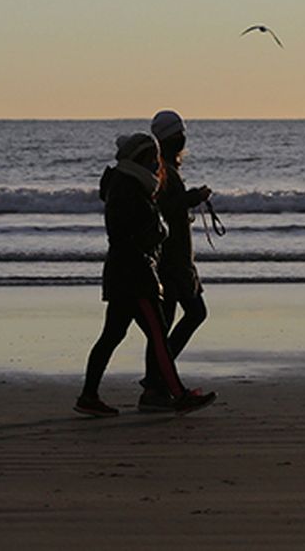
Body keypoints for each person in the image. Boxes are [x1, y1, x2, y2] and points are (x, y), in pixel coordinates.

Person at [75, 131, 216, 417]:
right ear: (141, 159)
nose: (157, 164)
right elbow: (146, 231)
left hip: (122, 272)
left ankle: (88, 396)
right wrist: (160, 229)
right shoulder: (131, 188)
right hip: (136, 275)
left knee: (112, 335)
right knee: (157, 335)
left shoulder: (123, 185)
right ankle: (176, 394)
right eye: (152, 159)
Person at [139, 109, 213, 411]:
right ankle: (156, 382)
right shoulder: (165, 170)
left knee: (167, 321)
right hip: (174, 257)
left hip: (173, 255)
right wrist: (192, 198)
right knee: (192, 313)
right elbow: (169, 208)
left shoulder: (162, 167)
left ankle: (155, 386)